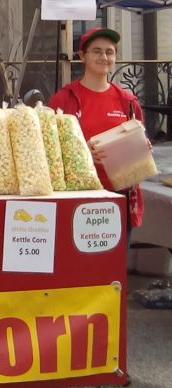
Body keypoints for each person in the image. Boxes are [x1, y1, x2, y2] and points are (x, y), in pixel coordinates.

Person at [48, 26, 145, 234]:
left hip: (118, 198)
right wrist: (83, 154)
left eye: (109, 52)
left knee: (114, 266)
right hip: (75, 197)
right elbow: (47, 149)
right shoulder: (63, 99)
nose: (104, 57)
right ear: (82, 56)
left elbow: (140, 144)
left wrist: (143, 150)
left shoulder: (128, 102)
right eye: (96, 51)